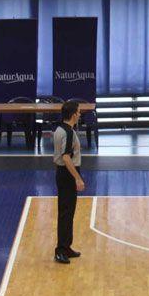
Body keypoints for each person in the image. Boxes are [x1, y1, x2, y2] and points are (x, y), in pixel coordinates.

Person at [53, 100, 84, 265]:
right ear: (73, 114)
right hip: (67, 174)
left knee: (68, 212)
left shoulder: (59, 128)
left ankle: (66, 246)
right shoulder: (69, 133)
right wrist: (77, 178)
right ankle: (60, 250)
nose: (80, 114)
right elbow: (66, 157)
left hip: (62, 173)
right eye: (78, 112)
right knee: (66, 212)